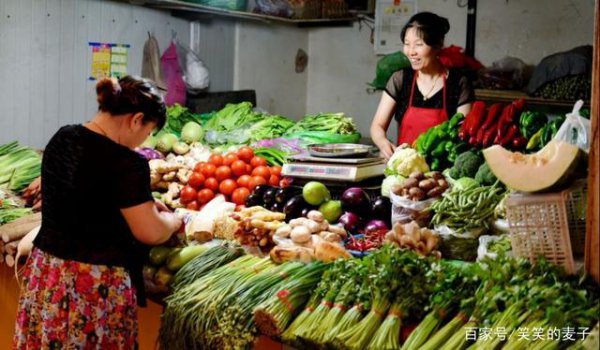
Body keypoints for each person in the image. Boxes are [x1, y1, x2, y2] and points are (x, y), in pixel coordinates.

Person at [13, 75, 182, 349]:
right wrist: (173, 221)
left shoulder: (63, 137)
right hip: (92, 285)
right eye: (147, 132)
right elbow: (150, 232)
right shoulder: (127, 163)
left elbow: (86, 198)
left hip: (47, 274)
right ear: (136, 119)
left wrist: (142, 206)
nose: (142, 141)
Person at [371, 12, 475, 159]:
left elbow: (463, 134)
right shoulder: (400, 79)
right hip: (404, 168)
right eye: (407, 44)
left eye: (419, 44)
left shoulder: (458, 82)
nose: (411, 52)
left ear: (438, 44)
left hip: (442, 171)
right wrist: (383, 144)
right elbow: (377, 126)